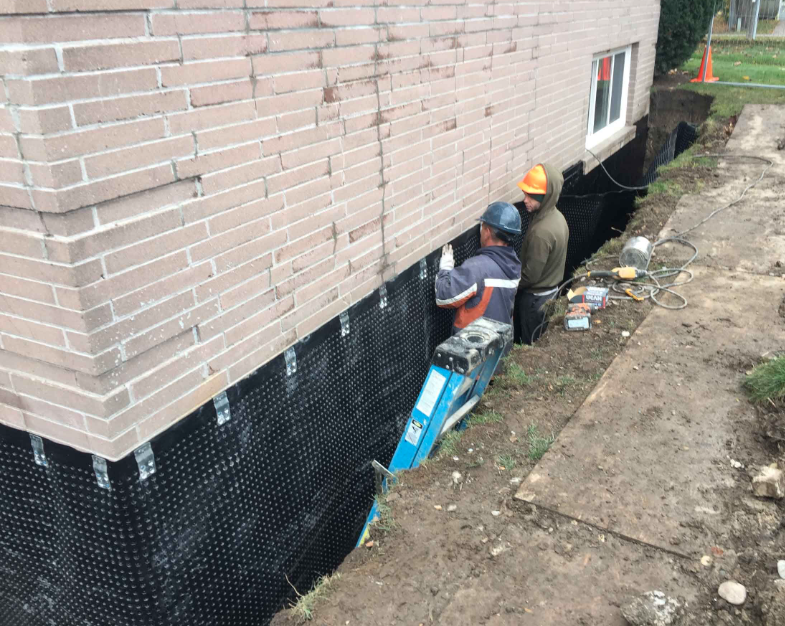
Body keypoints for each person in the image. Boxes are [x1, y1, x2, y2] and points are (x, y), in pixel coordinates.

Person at [435, 202, 522, 334]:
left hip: (473, 345)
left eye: (482, 227)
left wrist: (445, 270)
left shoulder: (478, 268)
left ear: (487, 232)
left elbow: (444, 297)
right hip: (500, 342)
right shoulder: (513, 263)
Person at [515, 163, 569, 344]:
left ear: (545, 197)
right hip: (550, 293)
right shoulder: (557, 218)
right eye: (525, 194)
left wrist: (511, 285)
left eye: (531, 196)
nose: (525, 200)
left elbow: (530, 276)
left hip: (535, 301)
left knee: (530, 344)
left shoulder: (541, 232)